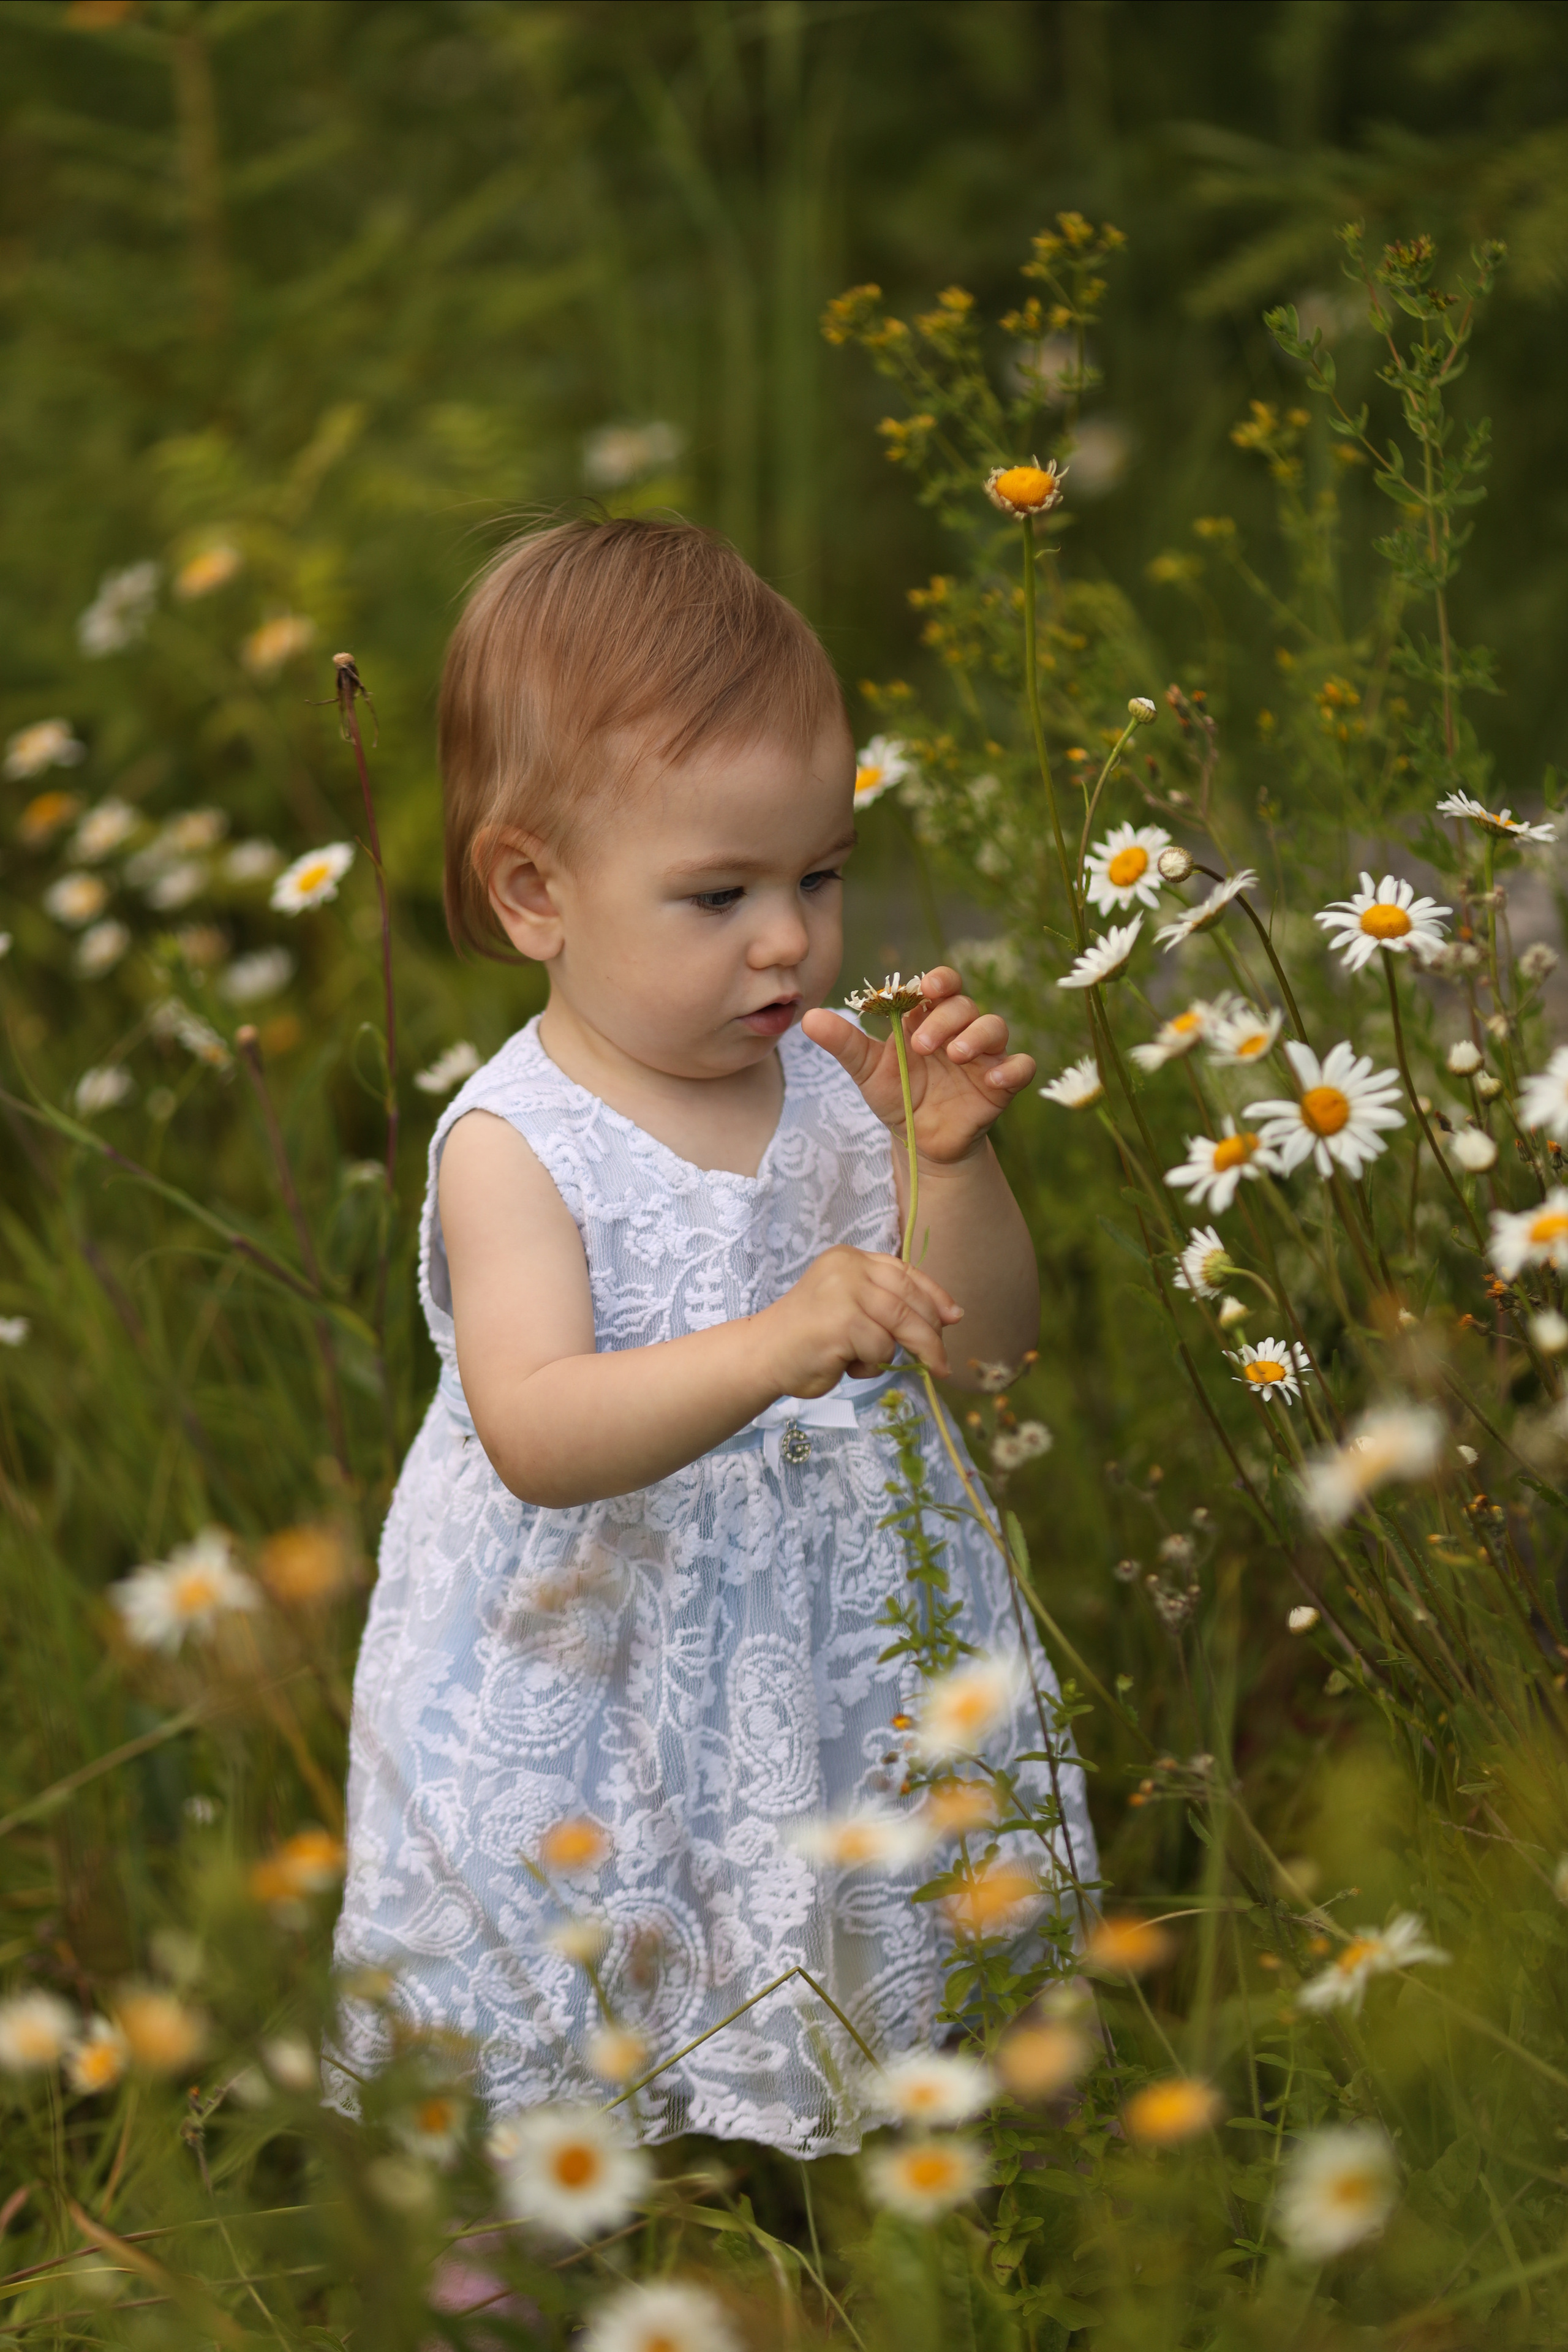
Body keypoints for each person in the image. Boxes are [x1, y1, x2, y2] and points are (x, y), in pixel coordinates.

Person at [331, 516, 1095, 2154]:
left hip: (828, 1628)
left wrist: (943, 1167)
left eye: (818, 876)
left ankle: (861, 2169)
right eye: (719, 893)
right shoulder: (514, 1142)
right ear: (534, 889)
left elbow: (992, 1355)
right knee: (610, 1925)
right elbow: (535, 1426)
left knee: (830, 1901)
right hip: (603, 1647)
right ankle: (554, 2225)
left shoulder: (826, 1081)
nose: (788, 939)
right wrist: (773, 1344)